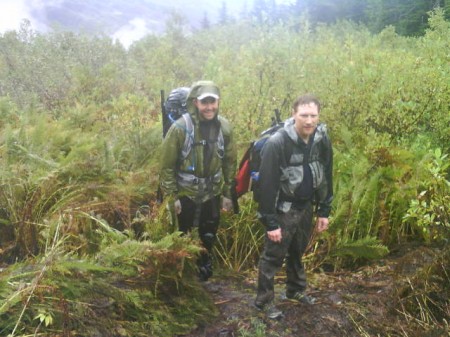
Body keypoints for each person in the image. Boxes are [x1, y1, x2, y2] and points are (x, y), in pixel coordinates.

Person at [254, 94, 333, 318]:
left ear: (319, 115)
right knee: (273, 256)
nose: (309, 121)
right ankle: (264, 302)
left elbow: (327, 174)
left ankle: (295, 291)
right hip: (283, 209)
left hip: (306, 206)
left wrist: (324, 210)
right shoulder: (277, 143)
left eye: (313, 115)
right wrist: (270, 223)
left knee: (298, 251)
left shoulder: (321, 139)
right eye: (304, 115)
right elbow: (266, 186)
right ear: (294, 114)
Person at [159, 80, 237, 281]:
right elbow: (166, 167)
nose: (209, 107)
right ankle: (180, 274)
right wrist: (171, 197)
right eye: (205, 103)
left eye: (213, 102)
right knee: (181, 236)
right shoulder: (179, 128)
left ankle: (204, 267)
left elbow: (230, 163)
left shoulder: (225, 128)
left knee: (208, 234)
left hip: (212, 192)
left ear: (218, 102)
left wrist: (228, 194)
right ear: (195, 103)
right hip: (185, 193)